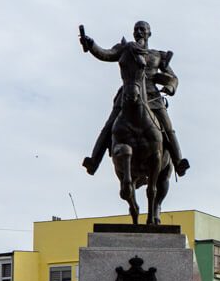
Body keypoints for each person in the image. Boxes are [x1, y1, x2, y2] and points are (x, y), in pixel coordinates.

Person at [79, 21, 190, 177]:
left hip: (152, 97)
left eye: (142, 29)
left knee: (168, 128)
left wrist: (170, 87)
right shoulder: (126, 50)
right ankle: (94, 161)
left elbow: (173, 77)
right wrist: (91, 45)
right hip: (127, 95)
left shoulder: (157, 55)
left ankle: (178, 162)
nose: (139, 31)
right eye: (136, 29)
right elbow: (105, 54)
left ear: (148, 33)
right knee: (108, 126)